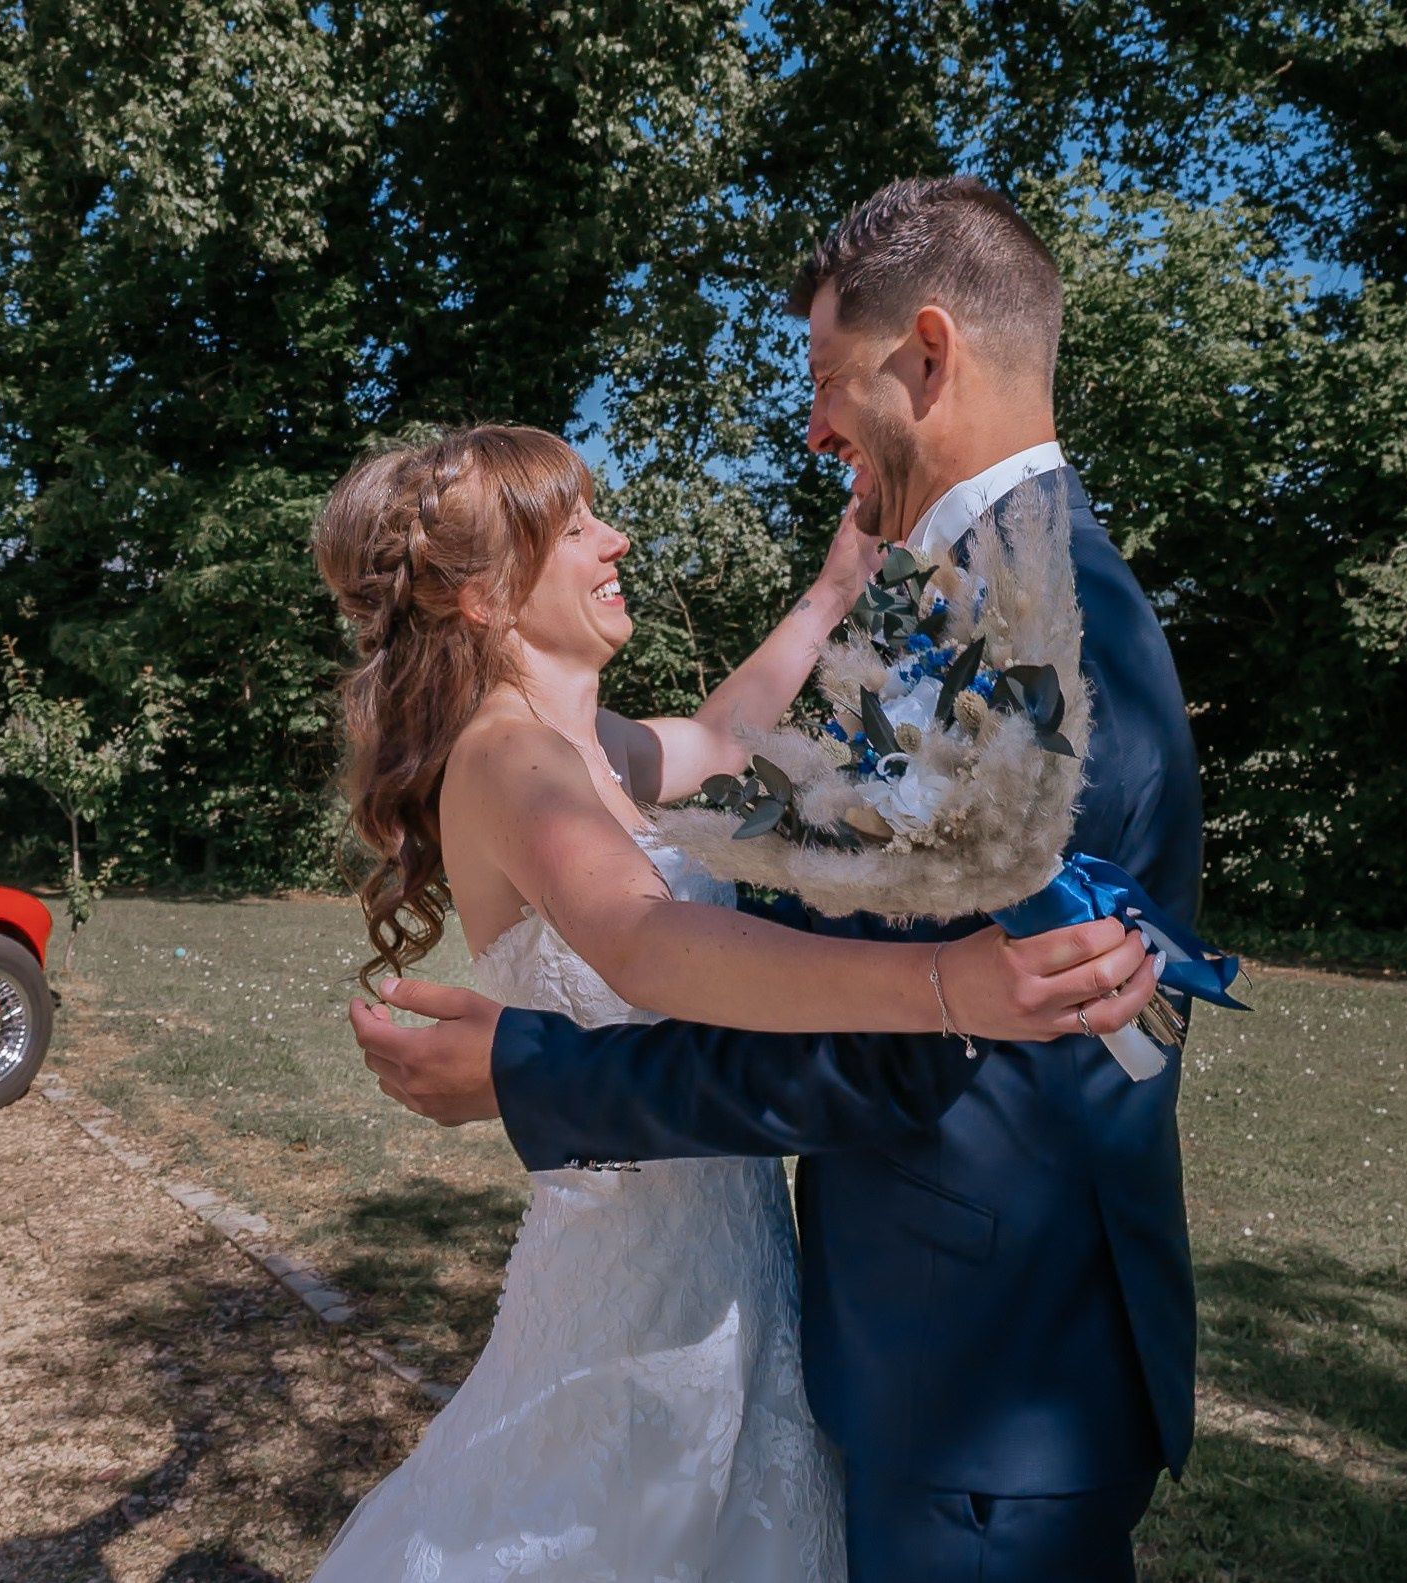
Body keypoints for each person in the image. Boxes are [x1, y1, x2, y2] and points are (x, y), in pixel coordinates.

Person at [353, 176, 1206, 1583]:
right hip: (899, 1340)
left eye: (826, 379)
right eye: (573, 529)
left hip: (982, 1382)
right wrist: (827, 601)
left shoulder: (1023, 638)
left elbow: (891, 1058)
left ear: (930, 356)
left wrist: (531, 1079)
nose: (810, 427)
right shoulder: (979, 604)